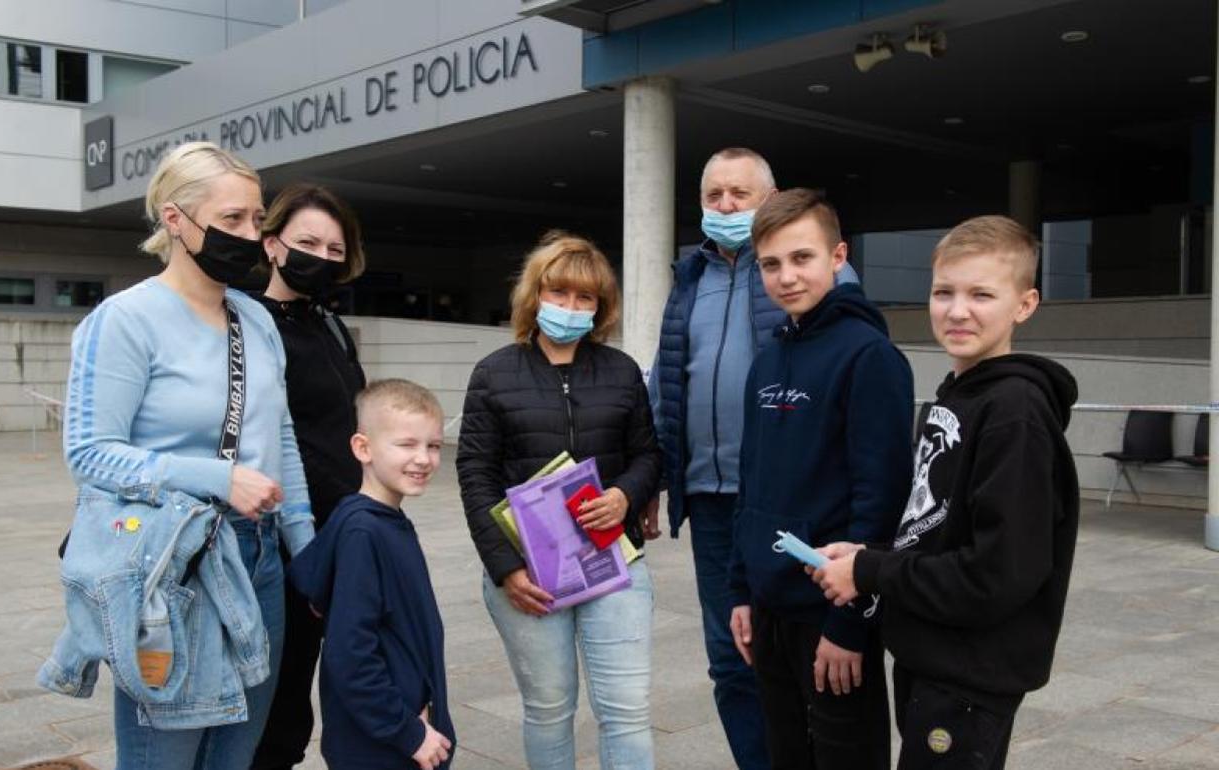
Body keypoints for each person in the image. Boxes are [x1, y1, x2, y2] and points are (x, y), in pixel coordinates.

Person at [59, 141, 315, 769]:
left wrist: (307, 549)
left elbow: (279, 437)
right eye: (231, 220)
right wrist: (217, 477)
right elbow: (90, 453)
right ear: (175, 218)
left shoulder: (254, 320)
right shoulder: (125, 320)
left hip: (258, 559)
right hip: (169, 564)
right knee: (164, 754)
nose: (250, 235)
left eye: (257, 221)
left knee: (237, 752)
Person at [811, 215, 1080, 770]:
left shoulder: (1015, 414)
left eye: (981, 294)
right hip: (931, 658)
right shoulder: (957, 397)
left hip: (969, 676)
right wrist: (868, 557)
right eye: (944, 292)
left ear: (1024, 305)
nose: (957, 311)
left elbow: (996, 575)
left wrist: (869, 573)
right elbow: (930, 530)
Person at [645, 147, 857, 769]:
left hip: (793, 501)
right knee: (731, 656)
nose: (727, 206)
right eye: (714, 196)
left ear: (771, 197)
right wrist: (655, 478)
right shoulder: (688, 279)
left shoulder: (813, 275)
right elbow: (667, 384)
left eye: (740, 193)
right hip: (712, 502)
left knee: (806, 653)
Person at [457, 231, 662, 770]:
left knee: (627, 710)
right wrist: (504, 568)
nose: (571, 308)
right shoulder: (494, 373)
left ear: (601, 307)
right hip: (528, 569)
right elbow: (474, 473)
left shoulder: (621, 373)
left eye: (585, 298)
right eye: (559, 293)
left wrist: (625, 494)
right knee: (548, 709)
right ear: (535, 296)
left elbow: (647, 454)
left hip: (612, 560)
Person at [728, 188, 913, 770]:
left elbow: (880, 505)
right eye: (771, 264)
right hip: (770, 611)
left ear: (838, 256)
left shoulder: (870, 356)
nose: (786, 276)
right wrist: (741, 591)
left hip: (832, 612)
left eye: (802, 258)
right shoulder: (767, 359)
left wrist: (849, 626)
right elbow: (750, 483)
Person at [252, 183, 368, 770]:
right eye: (306, 243)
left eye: (333, 248)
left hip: (342, 529)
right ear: (271, 244)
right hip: (284, 538)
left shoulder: (327, 323)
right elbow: (278, 440)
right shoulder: (249, 323)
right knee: (276, 697)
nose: (321, 257)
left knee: (308, 694)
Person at [289, 379, 455, 770]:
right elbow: (350, 654)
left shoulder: (382, 521)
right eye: (406, 444)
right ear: (362, 448)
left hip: (399, 732)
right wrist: (407, 732)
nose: (424, 459)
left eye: (432, 445)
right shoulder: (364, 533)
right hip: (382, 745)